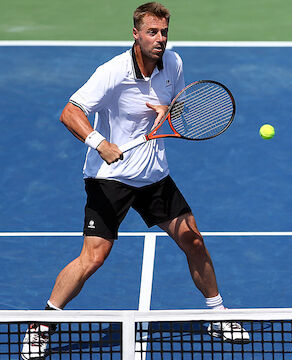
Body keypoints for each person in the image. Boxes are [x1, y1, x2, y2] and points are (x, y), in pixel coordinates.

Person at [21, 3, 249, 358]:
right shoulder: (112, 72)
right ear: (136, 34)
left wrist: (169, 110)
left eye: (164, 31)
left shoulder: (173, 63)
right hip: (110, 178)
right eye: (152, 32)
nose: (160, 38)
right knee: (93, 258)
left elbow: (180, 106)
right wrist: (102, 144)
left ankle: (218, 313)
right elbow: (70, 112)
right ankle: (40, 326)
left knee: (194, 240)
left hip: (154, 175)